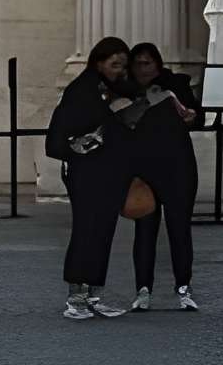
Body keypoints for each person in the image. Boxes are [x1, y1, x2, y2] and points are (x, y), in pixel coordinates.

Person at [48, 38, 137, 320]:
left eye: (123, 65)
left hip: (109, 171)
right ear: (99, 62)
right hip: (86, 171)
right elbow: (62, 136)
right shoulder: (82, 90)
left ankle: (94, 294)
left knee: (104, 230)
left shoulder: (112, 89)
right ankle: (76, 296)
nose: (119, 70)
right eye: (114, 65)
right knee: (86, 229)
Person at [120, 42, 200, 313]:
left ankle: (184, 287)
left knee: (180, 229)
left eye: (147, 63)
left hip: (178, 167)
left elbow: (196, 116)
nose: (143, 69)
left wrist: (191, 116)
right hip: (142, 171)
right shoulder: (126, 92)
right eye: (138, 64)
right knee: (144, 232)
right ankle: (143, 289)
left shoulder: (175, 85)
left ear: (157, 64)